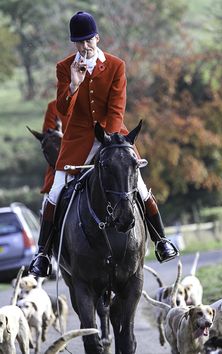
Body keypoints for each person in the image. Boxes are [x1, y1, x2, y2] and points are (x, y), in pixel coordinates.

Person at [29, 11, 178, 277]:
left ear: (97, 37)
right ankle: (42, 254)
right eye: (79, 42)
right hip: (76, 141)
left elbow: (117, 108)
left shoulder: (116, 65)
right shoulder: (64, 67)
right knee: (54, 192)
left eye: (88, 40)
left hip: (112, 137)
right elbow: (63, 109)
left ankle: (161, 240)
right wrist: (73, 85)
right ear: (73, 43)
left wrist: (108, 141)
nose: (84, 46)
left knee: (140, 187)